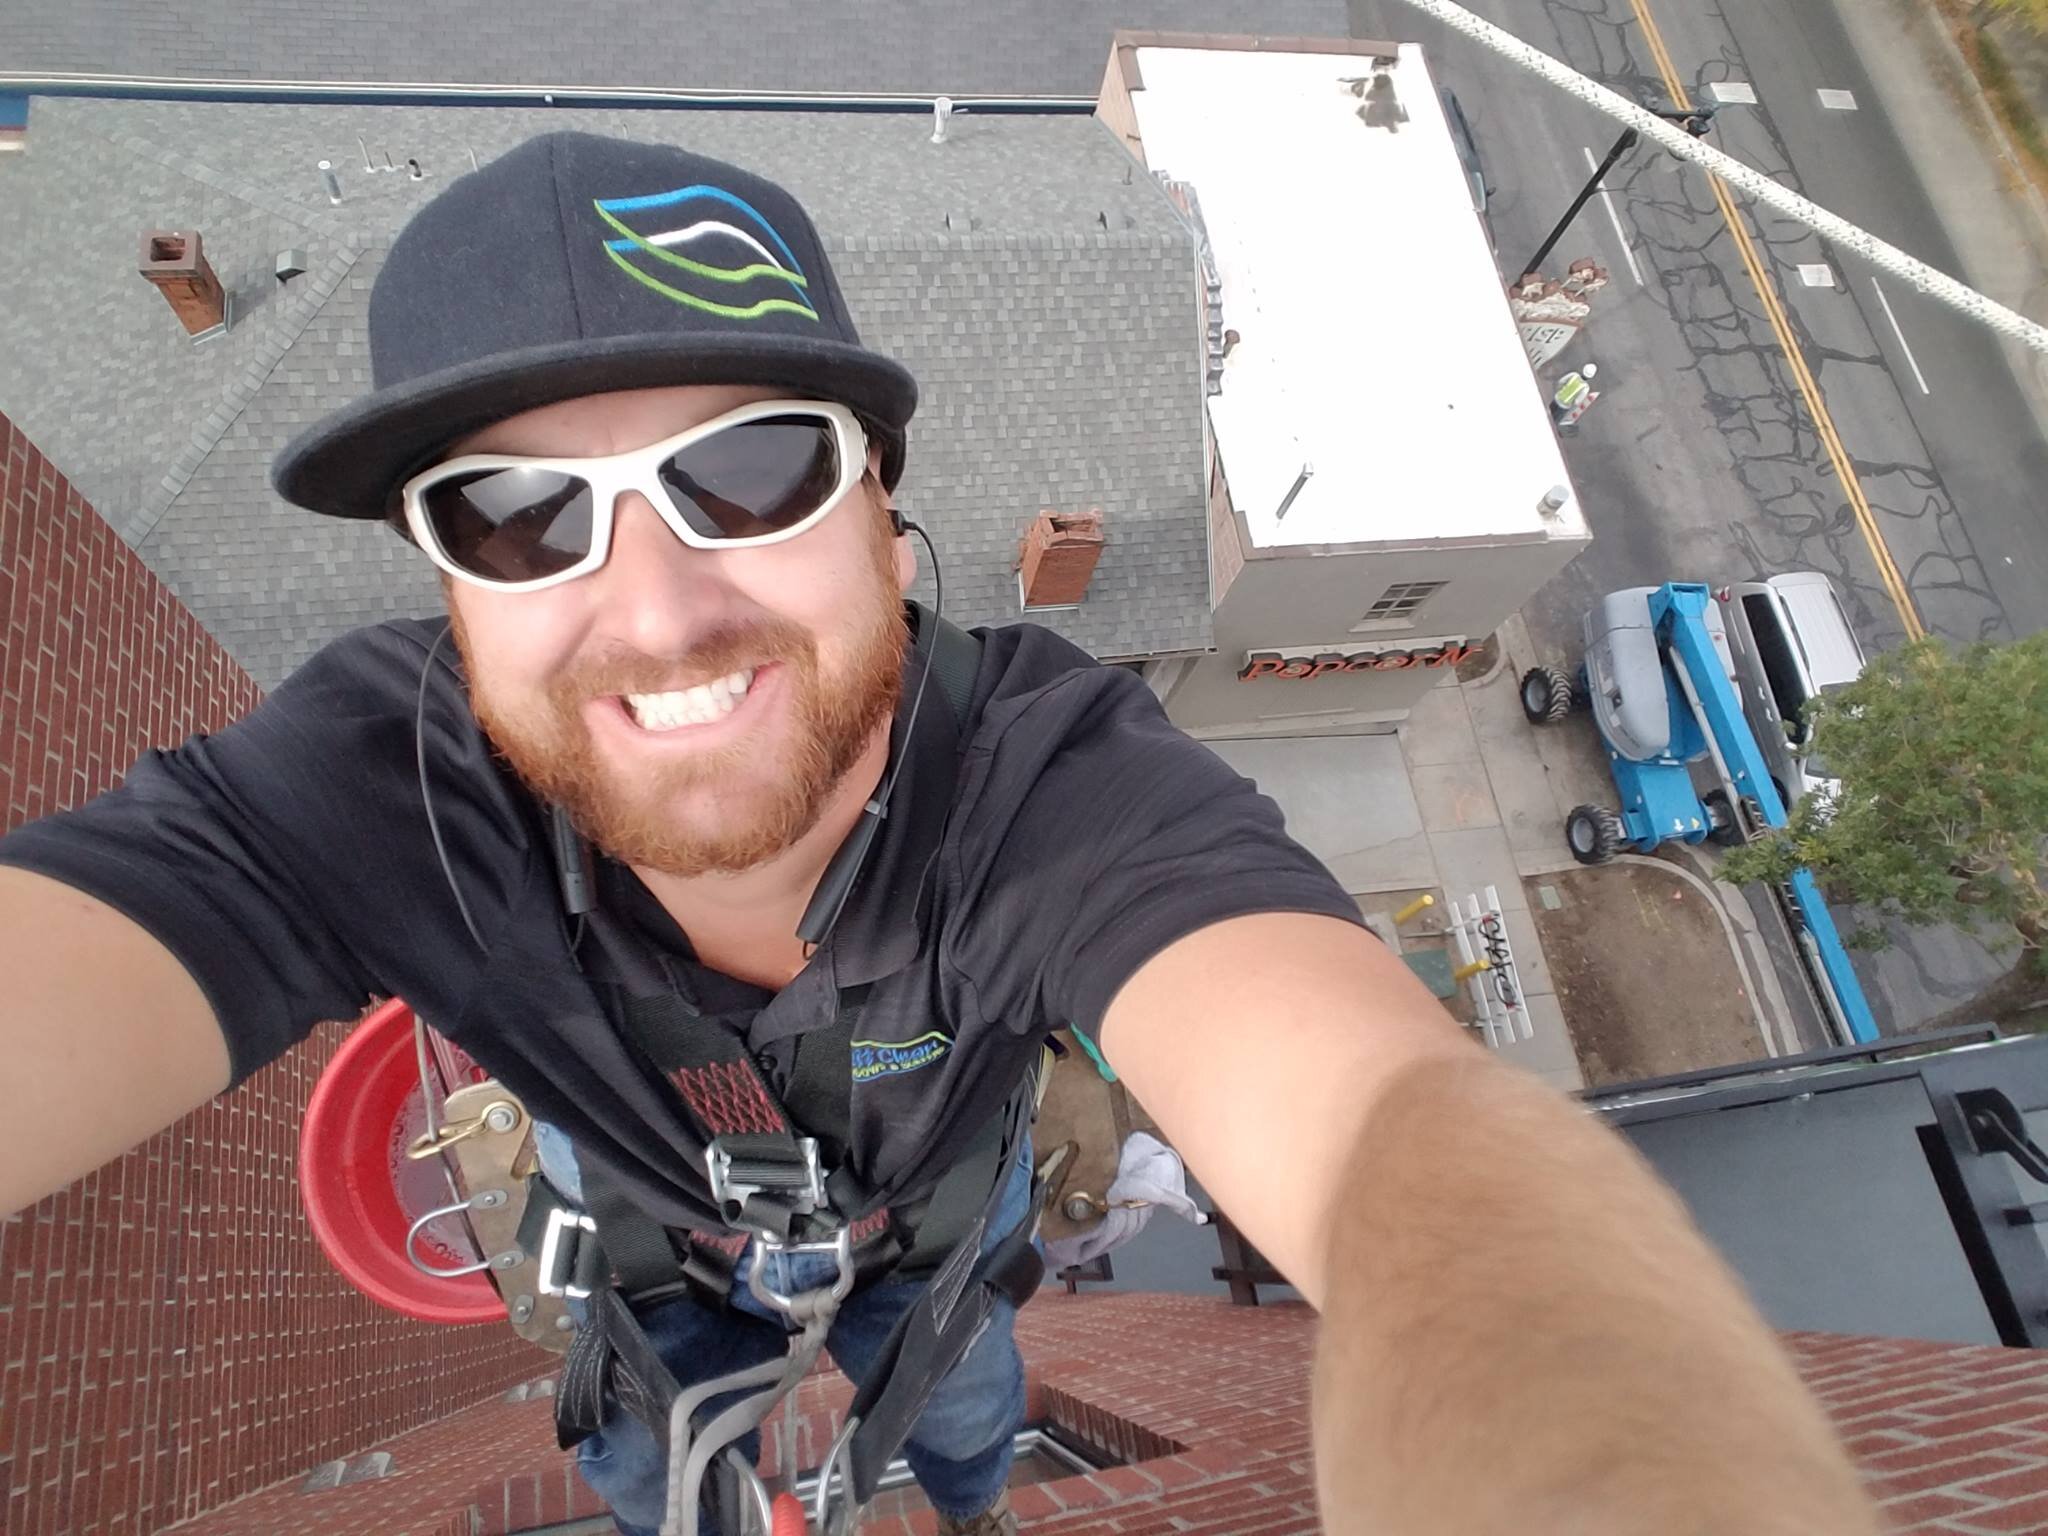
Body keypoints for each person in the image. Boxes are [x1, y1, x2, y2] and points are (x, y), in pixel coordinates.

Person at [0, 133, 1880, 1536]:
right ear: (444, 586)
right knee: (655, 1465)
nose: (651, 609)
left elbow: (1388, 1131)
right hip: (667, 1273)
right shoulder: (370, 785)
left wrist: (1601, 1442)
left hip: (934, 1253)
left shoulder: (1049, 786)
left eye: (748, 470)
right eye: (512, 514)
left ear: (882, 512)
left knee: (963, 1411)